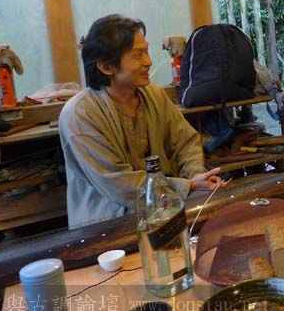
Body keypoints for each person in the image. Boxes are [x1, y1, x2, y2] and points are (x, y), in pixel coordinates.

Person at [59, 15, 222, 228]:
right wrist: (187, 186)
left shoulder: (154, 94)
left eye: (146, 51)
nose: (148, 61)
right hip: (108, 223)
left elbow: (185, 142)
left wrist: (197, 175)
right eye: (138, 55)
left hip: (164, 207)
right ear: (106, 67)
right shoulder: (79, 114)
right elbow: (119, 184)